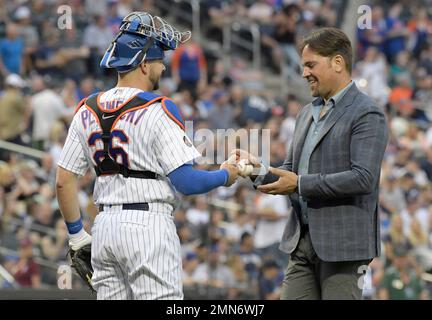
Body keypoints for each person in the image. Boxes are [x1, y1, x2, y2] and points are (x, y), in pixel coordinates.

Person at [55, 12, 238, 300]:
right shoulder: (157, 108)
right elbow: (187, 181)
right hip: (147, 226)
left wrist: (77, 235)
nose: (163, 68)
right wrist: (227, 174)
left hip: (104, 228)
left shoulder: (86, 108)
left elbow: (64, 180)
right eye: (158, 62)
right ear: (142, 64)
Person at [235, 27, 389, 299]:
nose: (304, 72)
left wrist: (301, 183)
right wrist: (258, 170)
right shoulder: (307, 112)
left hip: (344, 247)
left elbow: (363, 178)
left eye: (310, 65)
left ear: (338, 63)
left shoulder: (367, 113)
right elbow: (291, 173)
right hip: (301, 241)